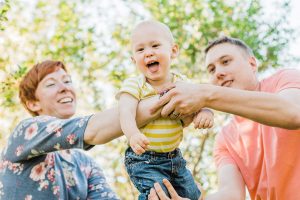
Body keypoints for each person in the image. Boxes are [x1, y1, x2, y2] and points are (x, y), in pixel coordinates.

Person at [149, 36, 300, 200]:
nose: (218, 73)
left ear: (252, 64)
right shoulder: (225, 139)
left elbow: (293, 112)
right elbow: (231, 194)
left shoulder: (285, 79)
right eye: (212, 69)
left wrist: (206, 94)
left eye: (226, 61)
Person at [0, 60, 161, 199]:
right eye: (51, 84)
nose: (64, 88)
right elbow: (94, 129)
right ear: (33, 103)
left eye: (67, 81)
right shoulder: (25, 132)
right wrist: (168, 99)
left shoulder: (85, 164)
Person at [117, 20, 213, 200]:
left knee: (193, 194)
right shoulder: (135, 84)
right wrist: (133, 135)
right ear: (133, 60)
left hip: (174, 158)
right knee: (158, 194)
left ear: (173, 51)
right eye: (140, 50)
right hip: (144, 159)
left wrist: (205, 113)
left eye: (155, 45)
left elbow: (200, 100)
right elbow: (125, 113)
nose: (148, 53)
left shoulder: (181, 82)